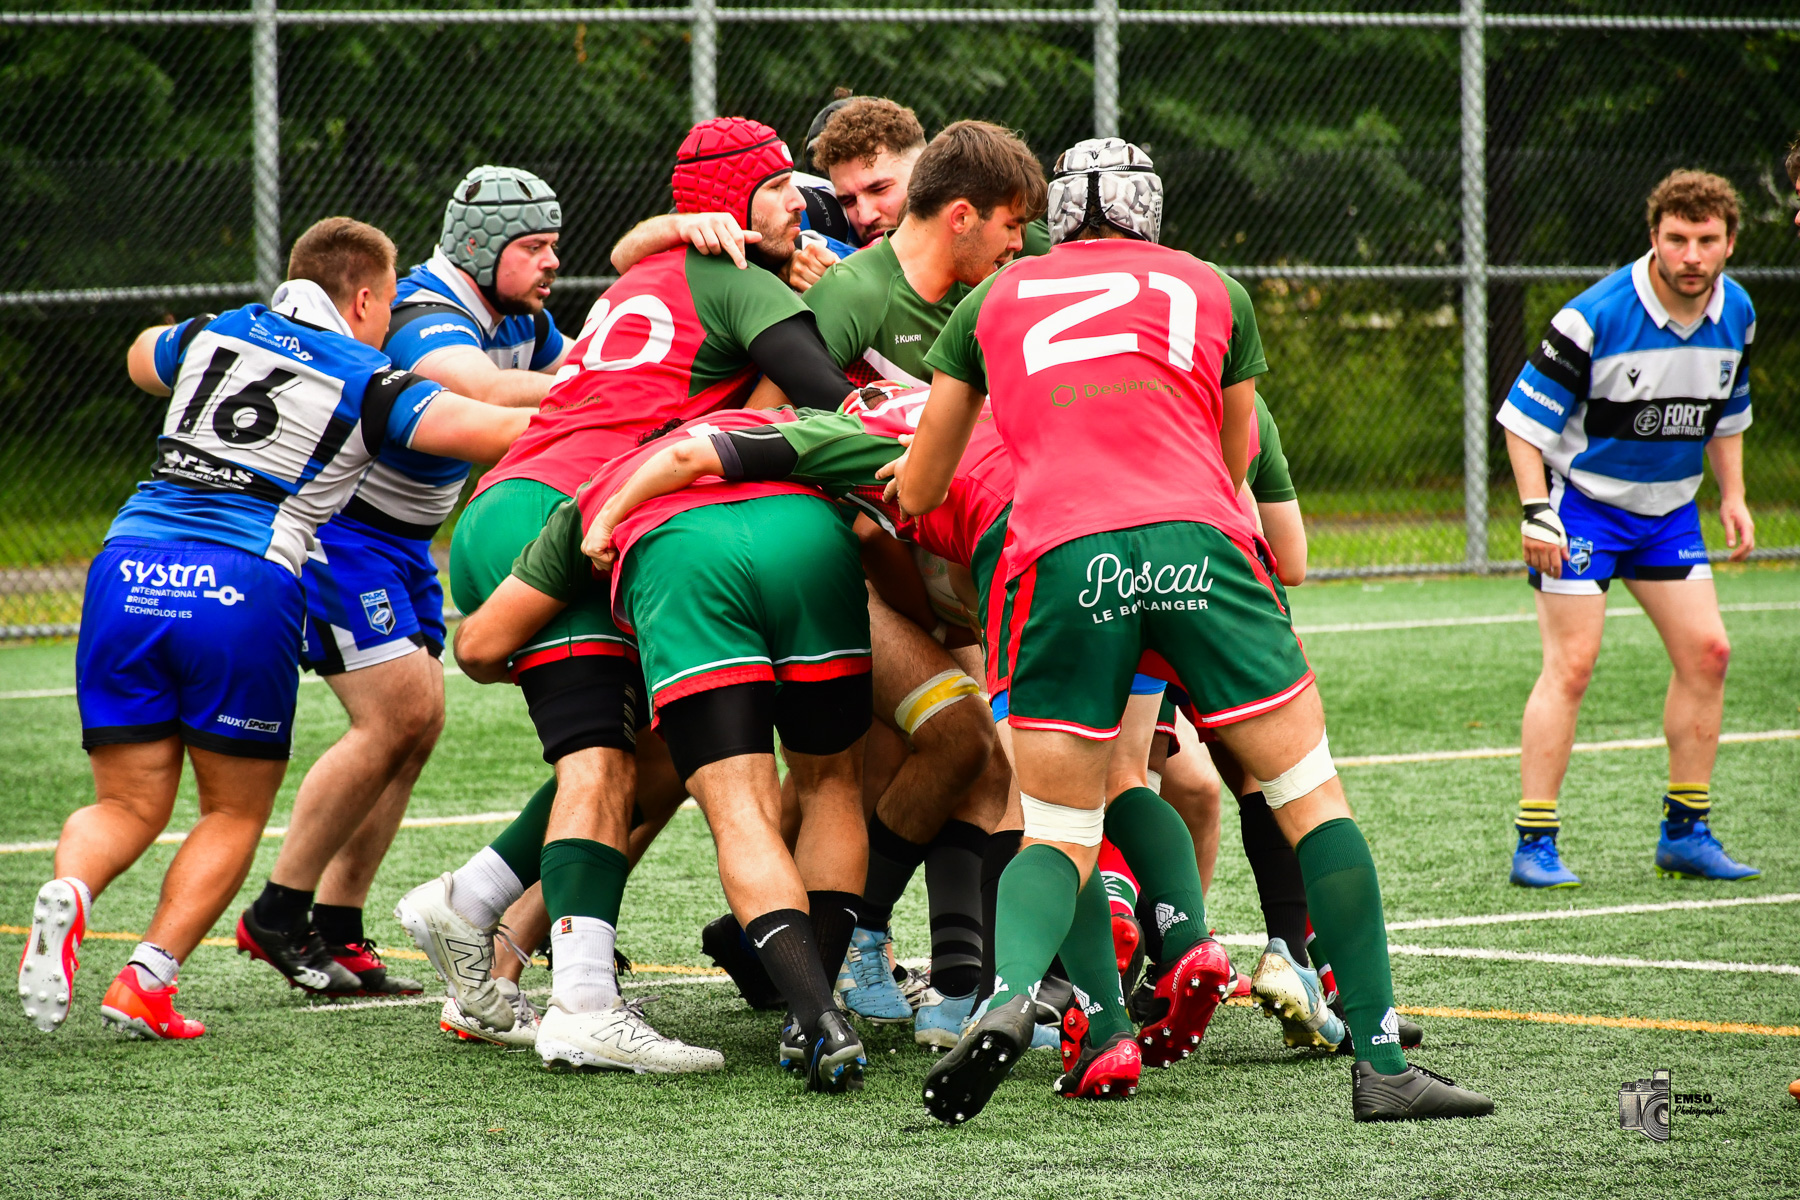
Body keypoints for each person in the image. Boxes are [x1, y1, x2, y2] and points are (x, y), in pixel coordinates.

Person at [902, 138, 1493, 1124]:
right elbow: (1235, 464)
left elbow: (922, 489)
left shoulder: (992, 301)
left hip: (1058, 559)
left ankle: (1009, 1002)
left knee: (1055, 828)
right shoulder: (1214, 289)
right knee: (1310, 800)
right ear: (1151, 216)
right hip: (1197, 546)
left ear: (1056, 216)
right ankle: (1384, 1061)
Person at [392, 116, 857, 1070]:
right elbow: (827, 397)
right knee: (602, 765)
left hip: (531, 498)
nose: (797, 207)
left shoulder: (649, 275)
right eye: (777, 191)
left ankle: (476, 899)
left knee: (652, 754)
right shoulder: (737, 276)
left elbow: (653, 263)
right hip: (573, 510)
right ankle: (582, 1005)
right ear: (735, 202)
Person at [17, 217, 529, 1040]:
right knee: (229, 812)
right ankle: (146, 980)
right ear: (364, 298)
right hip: (242, 578)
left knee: (127, 801)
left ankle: (73, 891)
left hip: (127, 562)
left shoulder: (214, 335)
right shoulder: (370, 377)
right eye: (386, 305)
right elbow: (493, 429)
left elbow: (142, 352)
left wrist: (185, 346)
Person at [237, 166, 568, 999]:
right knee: (398, 716)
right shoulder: (424, 312)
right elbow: (487, 395)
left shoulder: (523, 316)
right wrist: (625, 383)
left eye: (553, 246)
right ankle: (277, 912)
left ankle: (339, 926)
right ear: (481, 250)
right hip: (346, 533)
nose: (551, 262)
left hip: (406, 543)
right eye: (533, 247)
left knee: (416, 730)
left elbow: (576, 372)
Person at [580, 410, 875, 1092]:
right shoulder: (787, 425)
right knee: (831, 786)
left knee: (741, 809)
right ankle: (812, 1019)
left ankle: (819, 1015)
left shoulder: (606, 473)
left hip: (680, 553)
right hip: (806, 535)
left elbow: (483, 640)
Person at [1498, 169, 1757, 889]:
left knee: (1709, 652)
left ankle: (1686, 832)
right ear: (1655, 238)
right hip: (1581, 504)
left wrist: (1732, 495)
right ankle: (1535, 841)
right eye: (1677, 239)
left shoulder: (1737, 311)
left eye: (1707, 240)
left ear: (1730, 242)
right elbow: (1521, 426)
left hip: (1668, 511)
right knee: (1572, 665)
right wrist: (1536, 511)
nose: (1692, 256)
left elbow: (1726, 412)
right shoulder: (1593, 317)